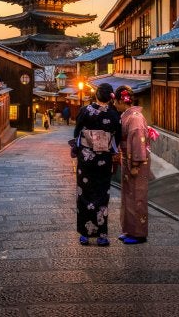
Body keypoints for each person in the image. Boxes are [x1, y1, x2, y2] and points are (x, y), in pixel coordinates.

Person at [72, 83, 121, 246]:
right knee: (101, 194)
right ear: (110, 97)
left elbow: (77, 132)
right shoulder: (114, 114)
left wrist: (78, 149)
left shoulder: (85, 111)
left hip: (86, 160)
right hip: (104, 160)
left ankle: (85, 234)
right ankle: (102, 235)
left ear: (96, 95)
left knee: (84, 193)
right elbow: (117, 137)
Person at [114, 85, 150, 245]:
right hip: (128, 158)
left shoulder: (134, 118)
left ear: (122, 100)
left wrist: (135, 164)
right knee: (128, 195)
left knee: (137, 196)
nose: (114, 104)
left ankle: (139, 234)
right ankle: (128, 229)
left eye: (115, 101)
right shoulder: (127, 115)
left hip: (136, 161)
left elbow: (138, 142)